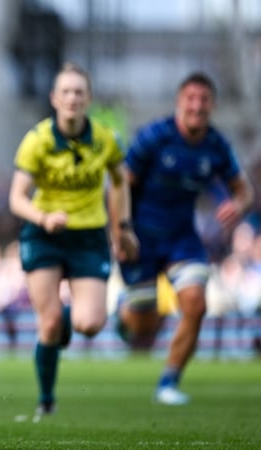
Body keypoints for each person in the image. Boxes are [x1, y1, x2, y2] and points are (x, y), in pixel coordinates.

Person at [8, 62, 138, 418]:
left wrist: (123, 227)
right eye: (65, 91)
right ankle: (46, 400)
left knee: (90, 324)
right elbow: (17, 198)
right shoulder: (37, 140)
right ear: (54, 98)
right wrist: (43, 217)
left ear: (89, 99)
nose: (72, 98)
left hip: (89, 235)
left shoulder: (107, 139)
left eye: (79, 92)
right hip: (44, 233)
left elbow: (121, 181)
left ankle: (68, 314)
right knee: (47, 324)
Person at [116, 72, 254, 405]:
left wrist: (236, 205)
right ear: (179, 102)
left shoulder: (217, 146)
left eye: (204, 99)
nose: (197, 105)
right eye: (190, 98)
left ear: (212, 105)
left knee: (196, 304)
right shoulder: (154, 137)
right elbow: (120, 183)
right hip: (141, 238)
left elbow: (244, 190)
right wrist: (120, 229)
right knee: (144, 325)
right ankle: (125, 316)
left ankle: (169, 382)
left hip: (182, 238)